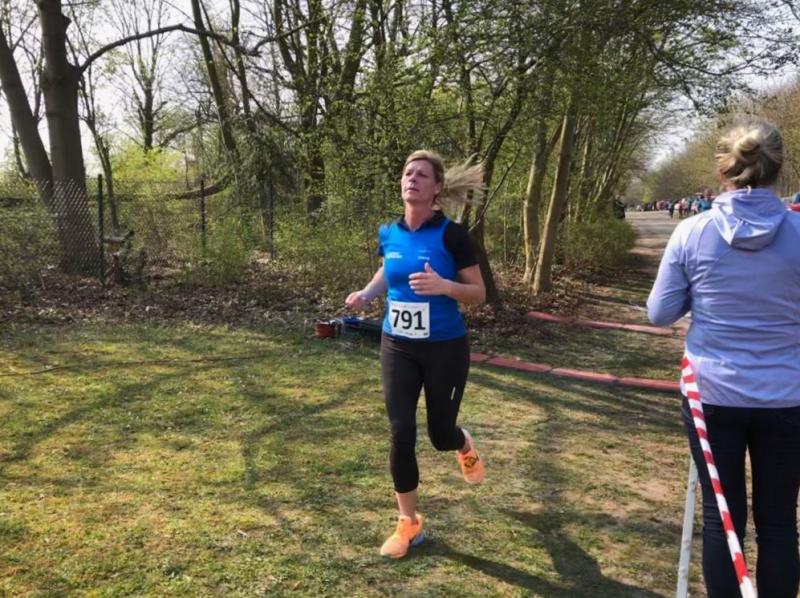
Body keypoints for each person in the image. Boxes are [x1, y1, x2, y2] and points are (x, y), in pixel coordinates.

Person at [647, 120, 800, 598]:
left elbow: (660, 313)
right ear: (779, 167)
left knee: (723, 519)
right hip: (788, 396)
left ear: (723, 170)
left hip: (713, 395)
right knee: (779, 521)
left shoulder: (693, 232)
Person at [345, 150, 487, 559]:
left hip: (444, 349)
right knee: (400, 431)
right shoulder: (389, 232)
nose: (412, 179)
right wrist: (367, 293)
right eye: (408, 173)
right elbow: (387, 272)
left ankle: (462, 442)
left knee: (440, 435)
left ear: (437, 188)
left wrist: (445, 287)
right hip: (398, 345)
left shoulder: (453, 236)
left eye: (422, 175)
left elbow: (478, 294)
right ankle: (408, 523)